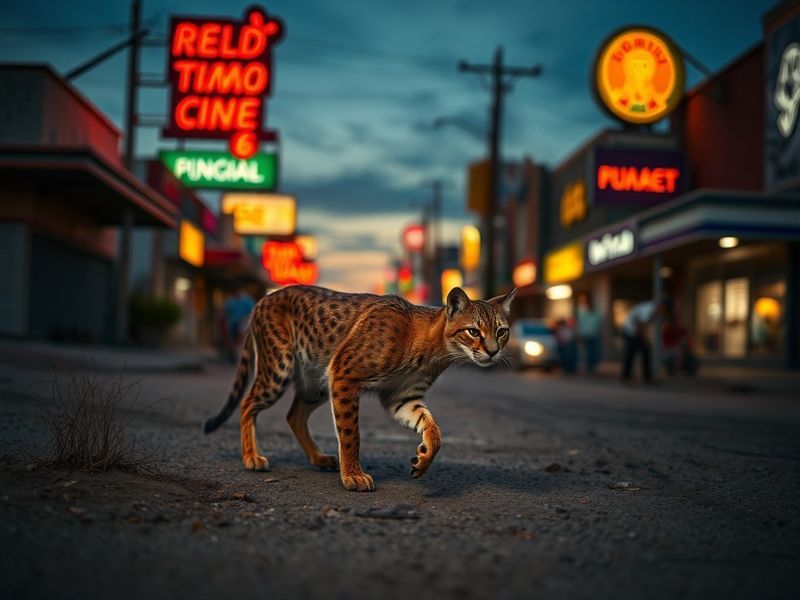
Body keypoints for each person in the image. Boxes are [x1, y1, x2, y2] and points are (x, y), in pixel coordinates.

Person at [620, 297, 671, 383]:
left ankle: (642, 376)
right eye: (663, 310)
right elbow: (641, 325)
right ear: (661, 306)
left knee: (642, 353)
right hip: (630, 331)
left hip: (635, 332)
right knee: (633, 353)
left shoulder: (651, 309)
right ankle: (628, 376)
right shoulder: (648, 308)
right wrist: (645, 340)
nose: (662, 313)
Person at [223, 288, 256, 362]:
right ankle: (234, 355)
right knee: (233, 340)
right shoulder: (230, 301)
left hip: (243, 323)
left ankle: (242, 356)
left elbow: (252, 311)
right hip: (232, 322)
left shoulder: (247, 300)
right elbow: (226, 311)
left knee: (242, 340)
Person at [576, 293, 602, 374]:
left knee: (594, 352)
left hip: (593, 335)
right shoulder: (582, 312)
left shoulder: (596, 313)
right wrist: (579, 334)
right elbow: (579, 324)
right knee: (587, 352)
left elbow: (598, 324)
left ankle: (592, 366)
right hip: (585, 335)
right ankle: (588, 367)